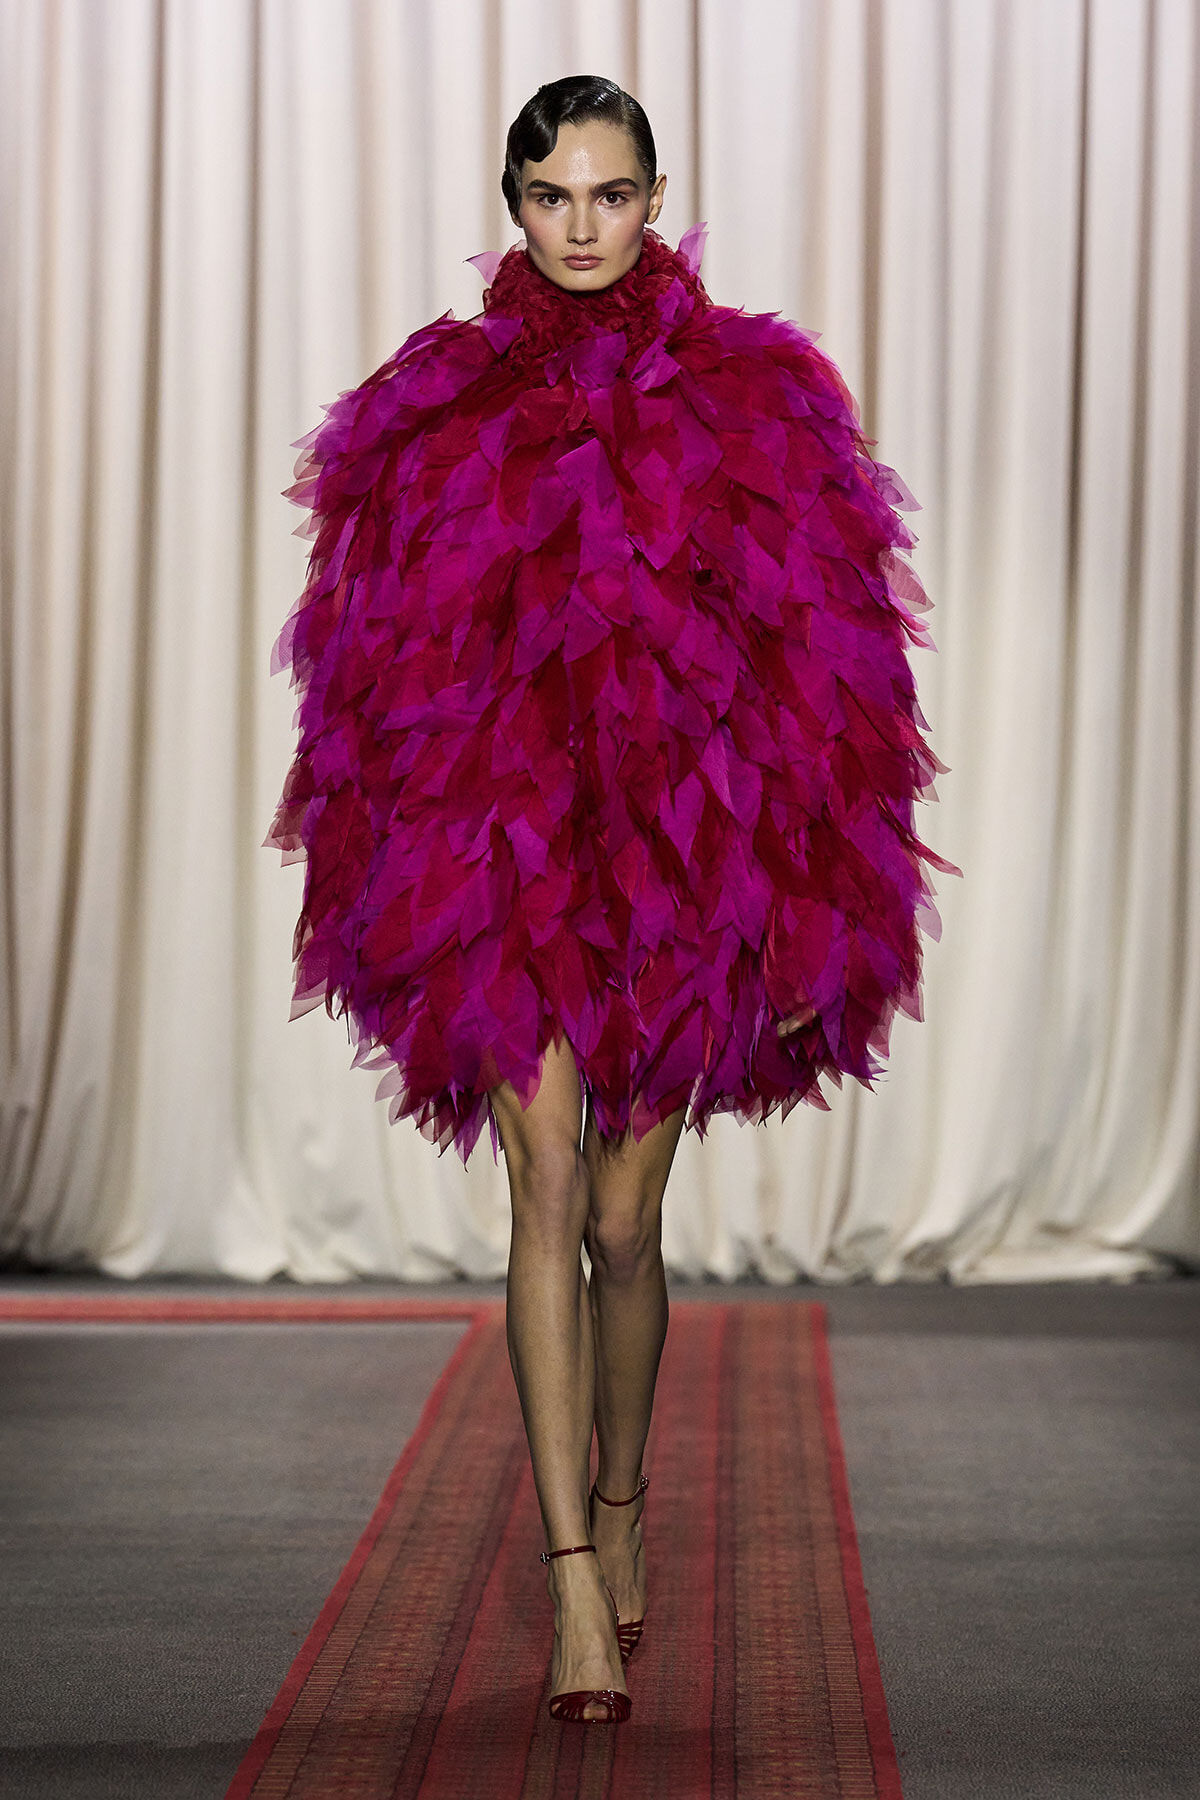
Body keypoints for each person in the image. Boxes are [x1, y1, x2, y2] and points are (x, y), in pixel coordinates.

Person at [266, 75, 959, 1726]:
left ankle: (627, 1499)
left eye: (614, 195)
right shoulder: (433, 406)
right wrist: (390, 871)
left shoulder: (760, 400)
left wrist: (814, 906)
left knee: (628, 1224)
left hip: (681, 863)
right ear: (512, 201)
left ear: (659, 198)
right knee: (545, 1187)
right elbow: (364, 679)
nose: (584, 227)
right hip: (501, 860)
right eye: (554, 196)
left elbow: (837, 674)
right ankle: (574, 1581)